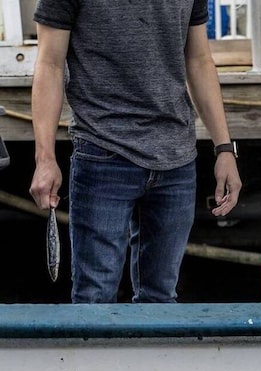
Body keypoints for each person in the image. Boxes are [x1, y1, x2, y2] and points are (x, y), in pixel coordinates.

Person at [28, 0, 242, 303]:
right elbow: (49, 63)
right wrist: (44, 158)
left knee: (161, 299)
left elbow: (198, 60)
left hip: (177, 157)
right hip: (102, 151)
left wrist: (224, 148)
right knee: (94, 298)